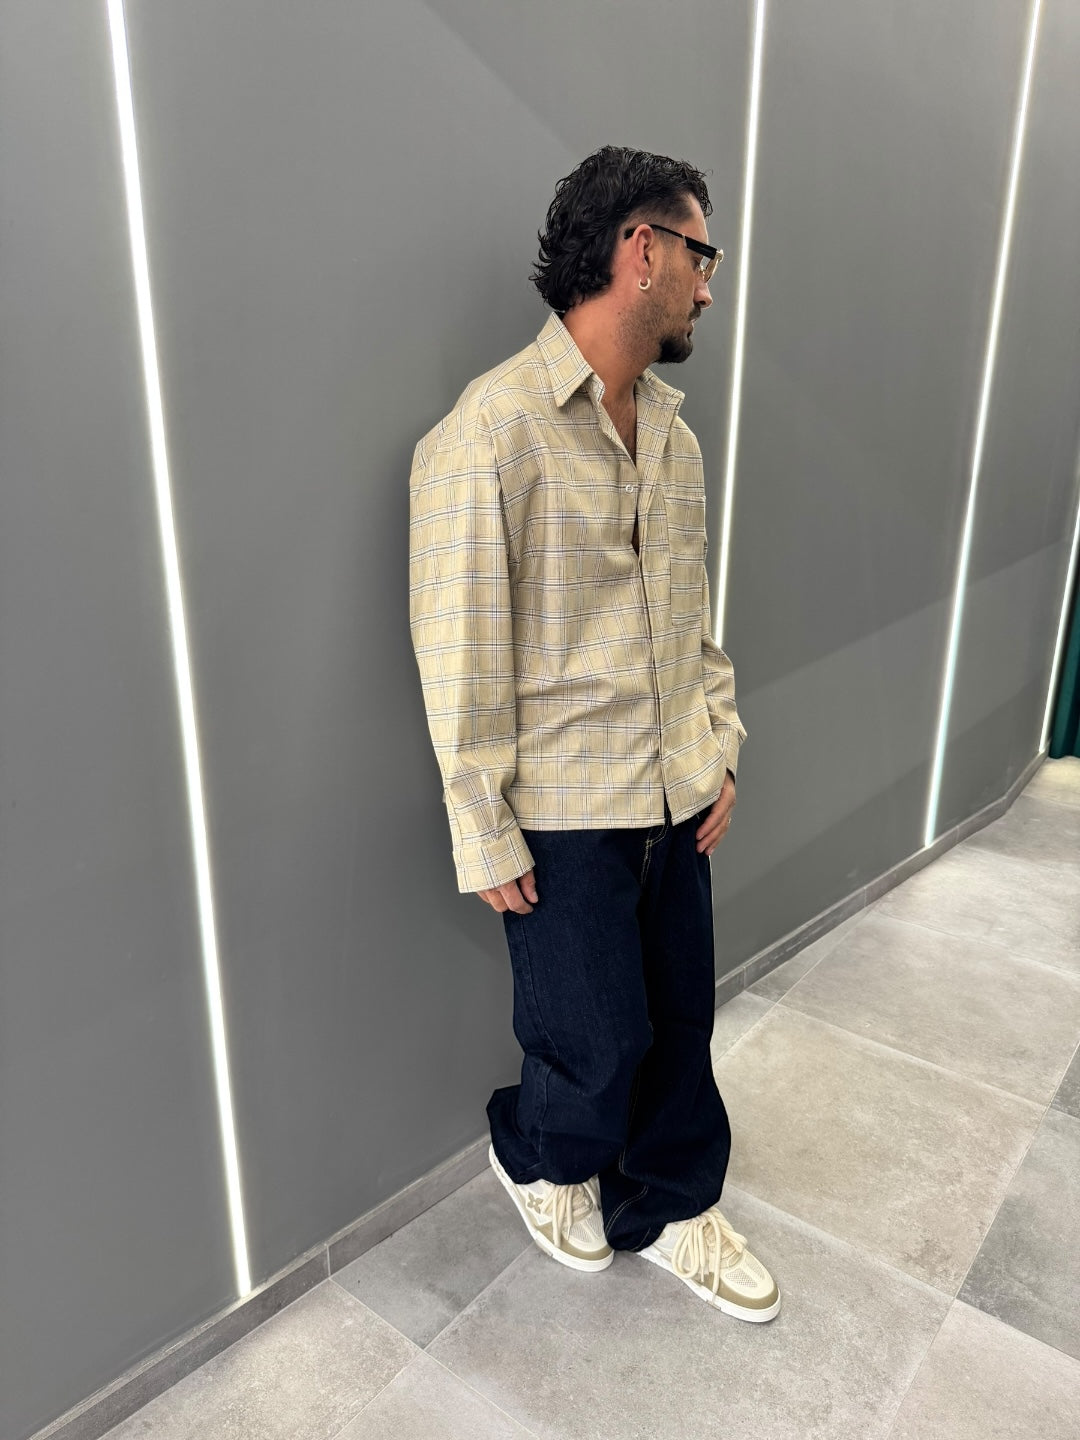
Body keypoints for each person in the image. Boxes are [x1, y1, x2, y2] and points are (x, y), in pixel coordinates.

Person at [408, 146, 779, 1322]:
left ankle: (670, 1203)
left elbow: (693, 620)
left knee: (680, 1023)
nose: (709, 286)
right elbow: (460, 646)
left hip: (678, 793)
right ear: (641, 249)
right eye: (701, 255)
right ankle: (539, 1157)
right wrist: (482, 826)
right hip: (564, 812)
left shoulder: (673, 439)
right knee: (592, 1038)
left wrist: (720, 744)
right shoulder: (491, 432)